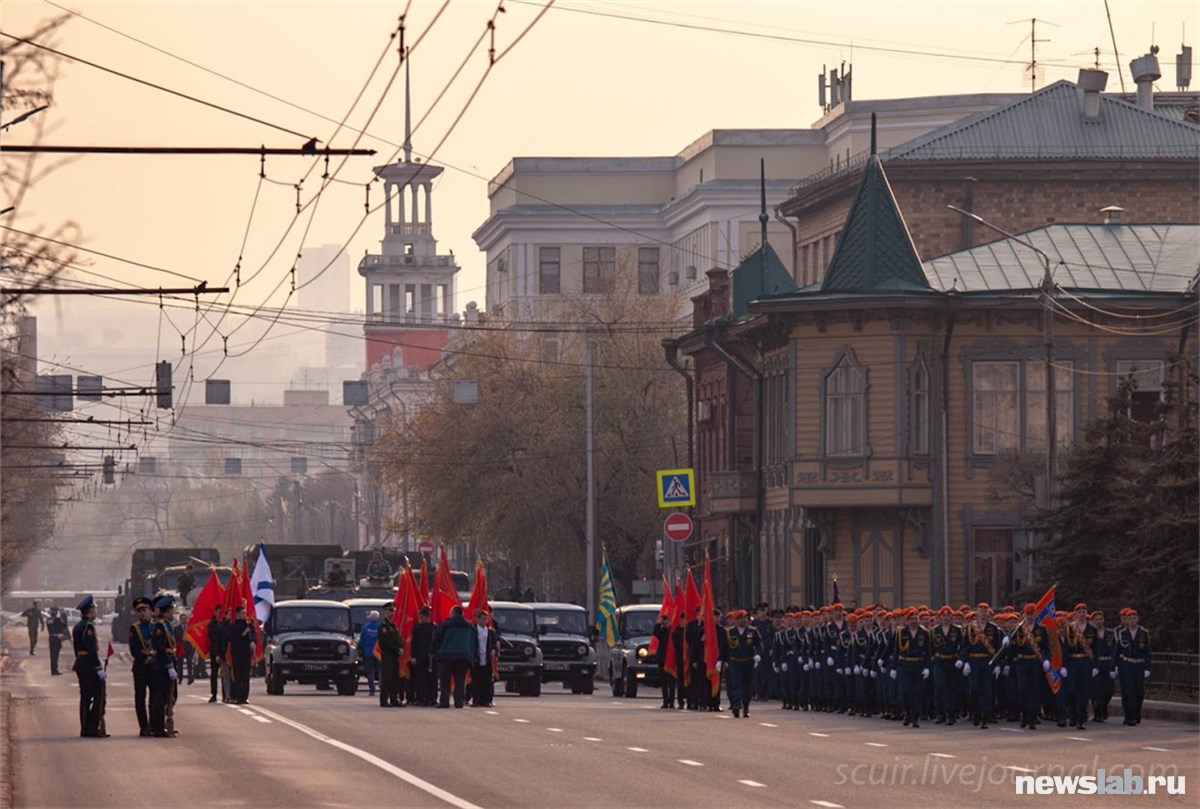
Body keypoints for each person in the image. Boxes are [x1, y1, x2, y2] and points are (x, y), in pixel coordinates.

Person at [72, 595, 108, 738]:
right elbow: (91, 650)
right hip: (88, 665)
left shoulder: (78, 626)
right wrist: (98, 668)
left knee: (85, 697)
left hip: (81, 663)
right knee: (97, 696)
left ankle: (86, 727)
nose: (95, 612)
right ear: (89, 610)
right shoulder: (88, 627)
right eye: (94, 609)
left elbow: (77, 649)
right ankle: (91, 726)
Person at [722, 609, 763, 719]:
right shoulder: (729, 632)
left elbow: (759, 644)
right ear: (736, 620)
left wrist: (759, 655)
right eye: (740, 618)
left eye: (745, 618)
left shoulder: (753, 631)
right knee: (736, 684)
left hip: (748, 662)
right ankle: (736, 703)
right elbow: (724, 648)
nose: (743, 620)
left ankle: (746, 707)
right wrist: (721, 660)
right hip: (734, 662)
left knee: (747, 686)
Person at [149, 595, 179, 737]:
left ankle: (162, 725)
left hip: (167, 663)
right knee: (160, 698)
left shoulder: (167, 624)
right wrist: (168, 665)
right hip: (161, 666)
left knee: (169, 696)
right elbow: (161, 648)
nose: (173, 612)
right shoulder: (160, 626)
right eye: (172, 610)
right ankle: (158, 728)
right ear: (167, 611)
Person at [433, 605, 474, 708]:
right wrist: (471, 656)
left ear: (454, 613)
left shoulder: (445, 625)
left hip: (446, 655)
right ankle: (459, 701)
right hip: (463, 656)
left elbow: (437, 639)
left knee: (445, 680)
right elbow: (474, 642)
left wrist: (436, 652)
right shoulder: (469, 627)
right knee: (460, 680)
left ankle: (444, 702)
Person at [1116, 608, 1151, 726]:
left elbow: (1147, 652)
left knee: (1139, 692)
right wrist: (1114, 667)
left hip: (1139, 665)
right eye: (1130, 618)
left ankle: (1136, 713)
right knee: (1128, 691)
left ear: (1138, 619)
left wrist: (1147, 668)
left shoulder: (1144, 632)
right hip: (1127, 664)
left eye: (1134, 618)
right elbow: (1117, 651)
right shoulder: (1122, 633)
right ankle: (1129, 716)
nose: (1132, 621)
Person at [127, 597, 156, 736]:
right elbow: (134, 649)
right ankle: (144, 726)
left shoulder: (155, 626)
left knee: (155, 697)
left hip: (154, 666)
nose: (142, 613)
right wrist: (146, 658)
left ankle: (155, 724)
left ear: (150, 611)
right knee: (140, 697)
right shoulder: (134, 628)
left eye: (144, 610)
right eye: (139, 611)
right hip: (141, 666)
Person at [376, 603, 404, 707]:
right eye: (389, 611)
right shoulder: (383, 626)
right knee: (387, 678)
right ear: (385, 612)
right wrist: (397, 649)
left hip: (395, 655)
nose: (391, 613)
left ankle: (394, 699)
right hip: (388, 655)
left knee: (395, 678)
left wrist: (401, 647)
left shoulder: (393, 626)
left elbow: (398, 639)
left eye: (393, 611)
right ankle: (384, 700)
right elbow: (384, 642)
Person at [470, 608, 498, 708]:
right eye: (482, 619)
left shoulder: (490, 631)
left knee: (487, 681)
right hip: (476, 658)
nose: (484, 621)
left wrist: (494, 650)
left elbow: (494, 644)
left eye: (486, 619)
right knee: (476, 681)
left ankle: (487, 700)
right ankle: (476, 700)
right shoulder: (473, 630)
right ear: (477, 619)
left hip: (487, 658)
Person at [227, 604, 254, 705]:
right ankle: (237, 697)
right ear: (237, 614)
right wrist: (243, 634)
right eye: (243, 613)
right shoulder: (232, 626)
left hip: (246, 654)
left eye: (245, 613)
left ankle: (244, 697)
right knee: (237, 676)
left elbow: (253, 634)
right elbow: (232, 638)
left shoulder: (249, 625)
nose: (245, 615)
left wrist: (253, 641)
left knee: (246, 676)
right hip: (237, 654)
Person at [411, 606, 436, 706]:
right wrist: (413, 656)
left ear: (427, 617)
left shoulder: (434, 628)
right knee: (420, 678)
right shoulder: (417, 628)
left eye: (422, 617)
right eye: (420, 617)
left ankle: (432, 698)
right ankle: (421, 698)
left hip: (431, 657)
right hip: (419, 656)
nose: (420, 619)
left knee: (432, 679)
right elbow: (414, 644)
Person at [206, 605, 226, 703]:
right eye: (218, 611)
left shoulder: (225, 623)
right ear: (215, 612)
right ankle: (213, 694)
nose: (219, 613)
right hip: (214, 651)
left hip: (224, 651)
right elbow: (211, 636)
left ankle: (225, 694)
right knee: (214, 674)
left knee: (225, 674)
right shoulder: (211, 624)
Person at [360, 610, 381, 698]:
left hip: (368, 653)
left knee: (370, 672)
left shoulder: (365, 627)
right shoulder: (381, 627)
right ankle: (382, 685)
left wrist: (361, 651)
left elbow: (362, 641)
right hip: (379, 653)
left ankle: (372, 690)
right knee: (381, 670)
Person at [46, 607, 68, 676]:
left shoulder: (48, 620)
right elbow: (64, 626)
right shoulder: (58, 620)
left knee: (52, 655)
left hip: (51, 637)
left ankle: (53, 670)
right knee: (56, 655)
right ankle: (55, 670)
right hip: (57, 638)